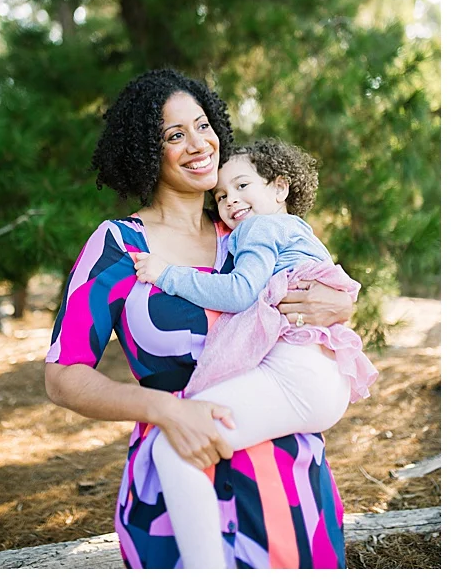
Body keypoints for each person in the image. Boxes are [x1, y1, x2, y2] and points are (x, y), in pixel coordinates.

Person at [44, 69, 358, 569]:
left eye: (202, 124)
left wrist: (340, 303)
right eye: (174, 135)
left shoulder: (247, 226)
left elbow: (318, 295)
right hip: (178, 487)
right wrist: (165, 410)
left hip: (290, 493)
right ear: (146, 153)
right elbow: (63, 376)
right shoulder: (118, 247)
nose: (198, 143)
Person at [129, 137, 377, 568]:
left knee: (172, 447)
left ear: (280, 188)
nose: (231, 200)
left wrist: (167, 273)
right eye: (222, 194)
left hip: (297, 375)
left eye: (243, 185)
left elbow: (241, 292)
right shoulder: (295, 231)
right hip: (318, 376)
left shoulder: (260, 228)